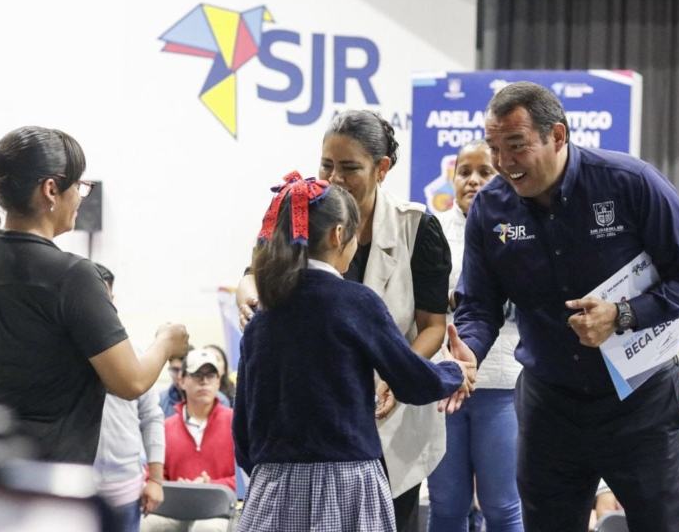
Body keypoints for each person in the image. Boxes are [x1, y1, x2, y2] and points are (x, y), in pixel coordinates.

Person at [445, 82, 679, 531]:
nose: (504, 163)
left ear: (557, 136)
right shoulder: (490, 210)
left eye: (516, 146)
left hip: (639, 401)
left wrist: (624, 316)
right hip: (549, 406)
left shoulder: (631, 183)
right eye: (495, 148)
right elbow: (478, 304)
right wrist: (469, 348)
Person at [237, 111, 453, 532]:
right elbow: (419, 379)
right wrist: (450, 373)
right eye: (326, 165)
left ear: (382, 168)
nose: (335, 178)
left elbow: (432, 325)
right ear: (340, 238)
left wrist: (259, 468)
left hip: (305, 466)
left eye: (350, 167)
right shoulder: (308, 231)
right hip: (350, 470)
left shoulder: (417, 227)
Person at [0, 126, 189, 463]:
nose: (80, 197)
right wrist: (166, 341)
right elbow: (131, 381)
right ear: (51, 190)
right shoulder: (73, 277)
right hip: (45, 483)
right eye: (78, 186)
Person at [426, 140, 524, 532]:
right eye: (464, 172)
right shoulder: (432, 232)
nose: (472, 181)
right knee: (447, 505)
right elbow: (423, 303)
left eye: (484, 172)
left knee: (502, 507)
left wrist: (465, 298)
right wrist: (463, 297)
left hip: (502, 385)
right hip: (444, 386)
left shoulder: (521, 229)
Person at [92, 264, 166, 532]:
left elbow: (151, 416)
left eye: (106, 298)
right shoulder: (61, 357)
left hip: (126, 490)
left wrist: (155, 480)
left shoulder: (132, 352)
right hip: (76, 490)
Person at [141, 349, 236, 532]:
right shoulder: (165, 427)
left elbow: (247, 477)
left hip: (221, 511)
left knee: (206, 529)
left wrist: (211, 486)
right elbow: (153, 475)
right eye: (197, 375)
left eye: (211, 375)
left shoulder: (236, 422)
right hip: (175, 510)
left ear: (218, 381)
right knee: (145, 525)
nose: (204, 381)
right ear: (182, 381)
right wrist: (178, 489)